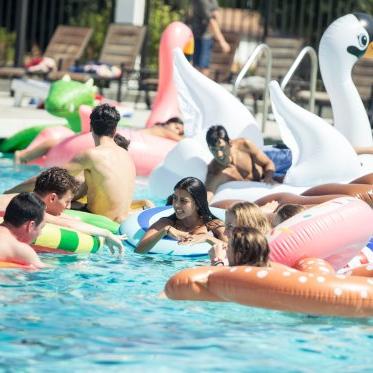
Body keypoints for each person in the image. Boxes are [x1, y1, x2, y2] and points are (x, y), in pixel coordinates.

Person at [7, 104, 136, 223]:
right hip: (121, 221)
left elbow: (50, 179)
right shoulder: (127, 155)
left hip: (100, 220)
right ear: (114, 130)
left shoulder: (90, 155)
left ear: (91, 127)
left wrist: (10, 192)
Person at [1, 167, 124, 253]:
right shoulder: (29, 207)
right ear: (52, 198)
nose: (69, 207)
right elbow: (67, 224)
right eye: (67, 201)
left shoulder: (21, 199)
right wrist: (106, 234)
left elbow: (69, 219)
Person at [14, 116, 183, 164]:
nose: (178, 131)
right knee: (64, 143)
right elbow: (178, 139)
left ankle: (25, 156)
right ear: (168, 123)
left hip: (117, 140)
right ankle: (24, 155)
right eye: (177, 127)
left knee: (63, 143)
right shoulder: (161, 130)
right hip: (118, 140)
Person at [135, 177, 227, 254]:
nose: (176, 205)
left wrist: (207, 238)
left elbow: (234, 252)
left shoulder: (214, 226)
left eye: (183, 201)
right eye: (175, 198)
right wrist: (165, 230)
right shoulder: (166, 223)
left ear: (198, 204)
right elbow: (138, 250)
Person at [205, 125, 277, 201]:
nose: (219, 154)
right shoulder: (215, 172)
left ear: (230, 143)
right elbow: (207, 196)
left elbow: (268, 163)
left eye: (222, 148)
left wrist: (268, 178)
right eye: (213, 149)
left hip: (262, 182)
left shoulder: (245, 146)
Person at [0, 193, 47, 268]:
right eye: (41, 227)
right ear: (31, 225)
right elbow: (46, 271)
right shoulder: (21, 249)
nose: (40, 233)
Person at [190, 0, 231, 77]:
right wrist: (222, 42)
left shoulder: (212, 1)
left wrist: (215, 16)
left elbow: (217, 15)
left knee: (204, 65)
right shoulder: (202, 2)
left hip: (207, 36)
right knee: (201, 66)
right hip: (200, 36)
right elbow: (212, 21)